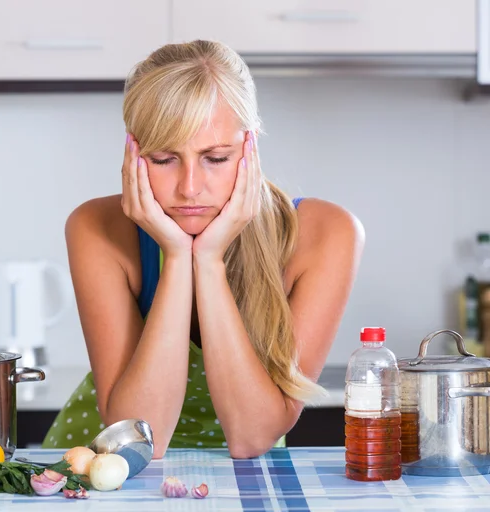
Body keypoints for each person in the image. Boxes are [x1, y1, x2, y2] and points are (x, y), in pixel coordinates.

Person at [42, 39, 365, 459]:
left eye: (215, 157)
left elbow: (252, 437)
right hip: (107, 470)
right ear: (132, 154)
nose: (189, 187)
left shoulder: (326, 234)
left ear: (249, 149)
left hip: (247, 481)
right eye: (163, 159)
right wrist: (177, 258)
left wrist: (208, 261)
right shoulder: (95, 228)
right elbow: (145, 438)